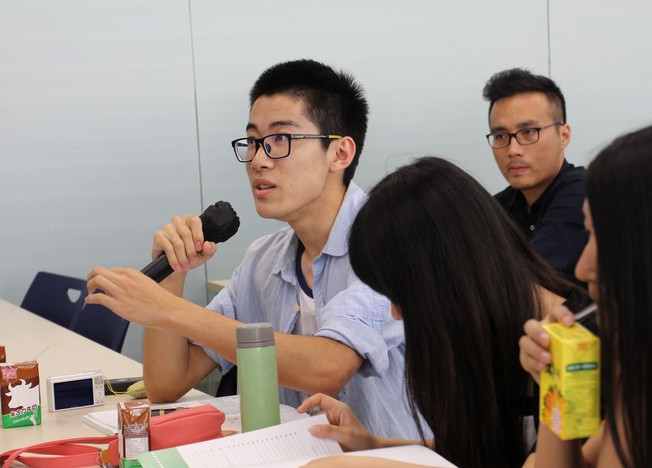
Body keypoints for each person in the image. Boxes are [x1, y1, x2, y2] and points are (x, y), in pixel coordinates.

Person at [86, 59, 424, 440]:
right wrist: (173, 273)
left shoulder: (388, 242)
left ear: (340, 153)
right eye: (252, 142)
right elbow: (166, 385)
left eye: (281, 140)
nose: (259, 160)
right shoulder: (264, 259)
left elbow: (327, 367)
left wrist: (168, 310)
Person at [251, 157, 584, 468]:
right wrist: (373, 446)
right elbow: (482, 458)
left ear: (451, 272)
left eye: (400, 294)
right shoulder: (495, 340)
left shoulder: (577, 343)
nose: (396, 314)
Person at [519, 117, 652, 468]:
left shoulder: (642, 391)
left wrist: (627, 386)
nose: (583, 266)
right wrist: (558, 384)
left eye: (604, 239)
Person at [483, 68, 587, 280]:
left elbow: (526, 279)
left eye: (529, 132)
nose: (513, 150)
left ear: (564, 135)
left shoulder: (583, 193)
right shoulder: (496, 209)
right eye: (501, 136)